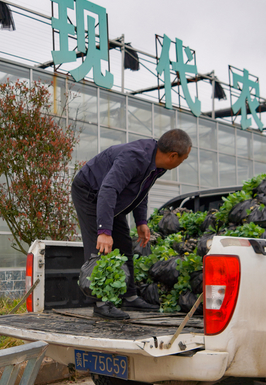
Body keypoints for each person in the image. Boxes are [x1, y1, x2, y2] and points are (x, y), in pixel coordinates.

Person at [72, 129, 193, 320]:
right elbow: (108, 188)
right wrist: (104, 230)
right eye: (183, 159)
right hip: (91, 192)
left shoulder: (156, 164)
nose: (182, 162)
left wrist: (141, 222)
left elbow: (140, 191)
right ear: (173, 156)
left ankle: (130, 296)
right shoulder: (135, 157)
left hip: (113, 197)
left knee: (124, 243)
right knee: (100, 246)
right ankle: (101, 304)